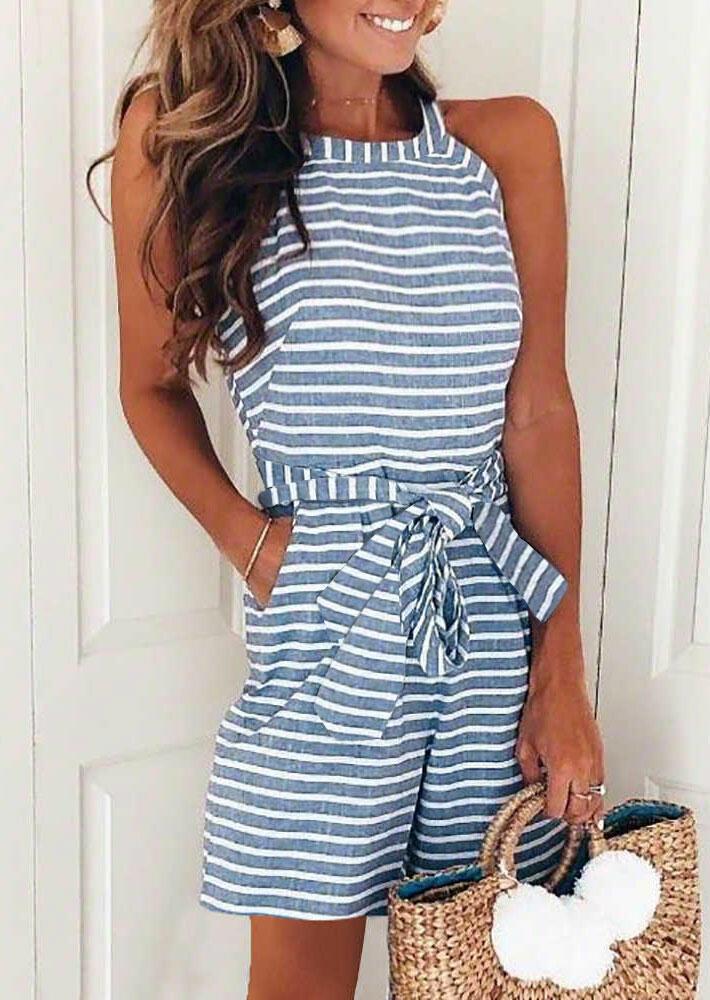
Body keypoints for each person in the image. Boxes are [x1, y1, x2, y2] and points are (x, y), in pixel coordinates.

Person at [94, 1, 605, 996]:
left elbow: (538, 410)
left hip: (489, 622)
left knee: (490, 975)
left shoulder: (505, 145)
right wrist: (255, 548)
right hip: (325, 617)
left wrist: (561, 666)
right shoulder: (184, 142)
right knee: (300, 986)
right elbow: (149, 385)